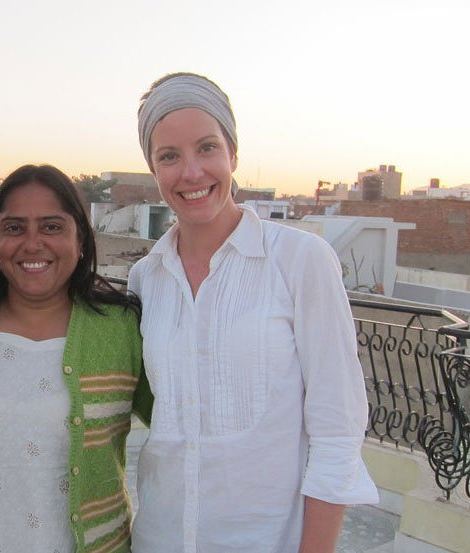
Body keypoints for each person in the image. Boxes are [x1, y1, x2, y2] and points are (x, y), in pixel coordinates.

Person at [128, 73, 378, 553]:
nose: (192, 172)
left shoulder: (300, 261)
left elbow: (337, 427)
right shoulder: (146, 277)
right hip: (159, 538)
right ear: (153, 169)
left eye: (207, 148)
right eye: (169, 156)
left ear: (233, 154)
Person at [0, 164, 152, 553]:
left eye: (52, 226)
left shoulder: (125, 329)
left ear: (81, 239)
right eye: (14, 227)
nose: (32, 243)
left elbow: (185, 430)